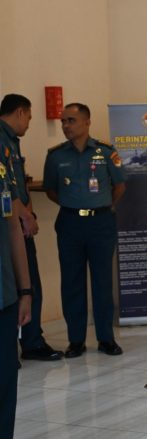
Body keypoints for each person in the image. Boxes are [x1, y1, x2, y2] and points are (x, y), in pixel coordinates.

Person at [43, 103, 126, 357]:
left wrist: (105, 206)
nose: (65, 125)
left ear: (87, 122)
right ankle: (76, 340)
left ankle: (106, 339)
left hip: (101, 223)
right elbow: (50, 190)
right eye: (63, 121)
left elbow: (119, 185)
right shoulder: (56, 156)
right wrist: (73, 204)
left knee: (102, 281)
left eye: (71, 120)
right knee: (72, 282)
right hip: (70, 223)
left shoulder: (106, 152)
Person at [0, 94, 64, 362]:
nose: (28, 123)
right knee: (26, 285)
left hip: (17, 222)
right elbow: (8, 192)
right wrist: (26, 216)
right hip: (12, 227)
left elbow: (17, 183)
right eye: (28, 117)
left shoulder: (11, 140)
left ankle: (27, 340)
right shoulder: (2, 139)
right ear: (19, 112)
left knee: (24, 286)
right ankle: (31, 342)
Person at [0, 122, 32, 439]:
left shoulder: (1, 162)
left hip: (5, 297)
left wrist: (25, 290)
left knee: (5, 394)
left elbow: (12, 225)